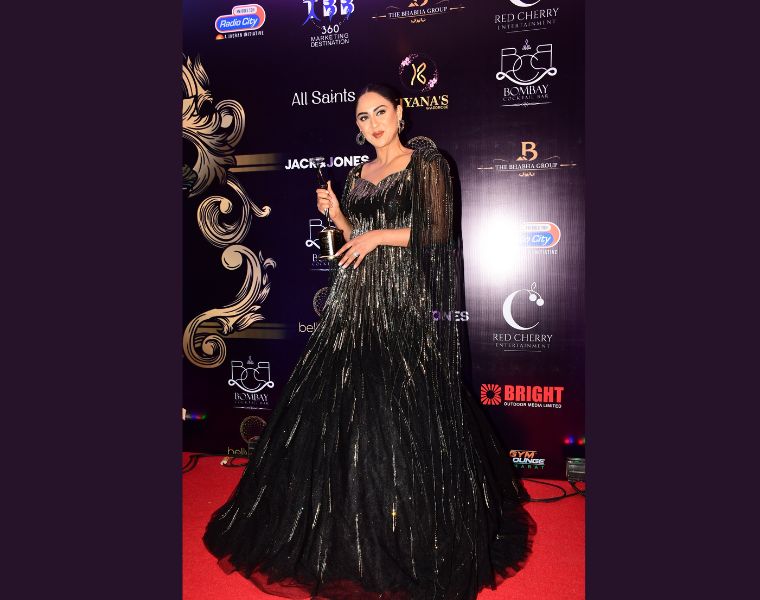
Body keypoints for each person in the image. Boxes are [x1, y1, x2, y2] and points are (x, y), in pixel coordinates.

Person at [203, 83, 535, 599]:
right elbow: (351, 239)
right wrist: (337, 214)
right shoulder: (358, 175)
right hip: (353, 303)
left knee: (400, 412)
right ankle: (346, 532)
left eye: (381, 112)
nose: (373, 123)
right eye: (363, 117)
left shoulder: (427, 163)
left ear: (400, 113)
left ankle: (406, 533)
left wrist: (377, 236)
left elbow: (438, 231)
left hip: (402, 304)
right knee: (343, 409)